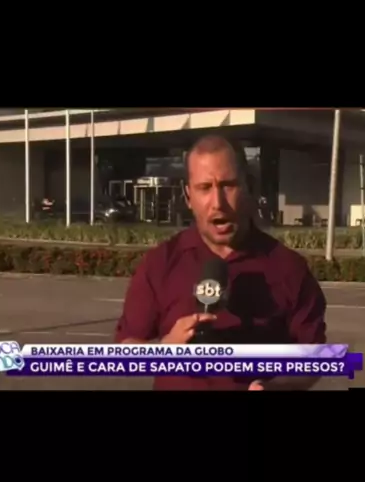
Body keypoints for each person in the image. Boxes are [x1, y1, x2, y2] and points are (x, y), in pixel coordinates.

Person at [115, 135, 327, 391]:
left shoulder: (289, 268)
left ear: (250, 186)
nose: (218, 203)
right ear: (188, 196)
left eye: (228, 185)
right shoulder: (160, 262)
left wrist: (278, 386)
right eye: (204, 187)